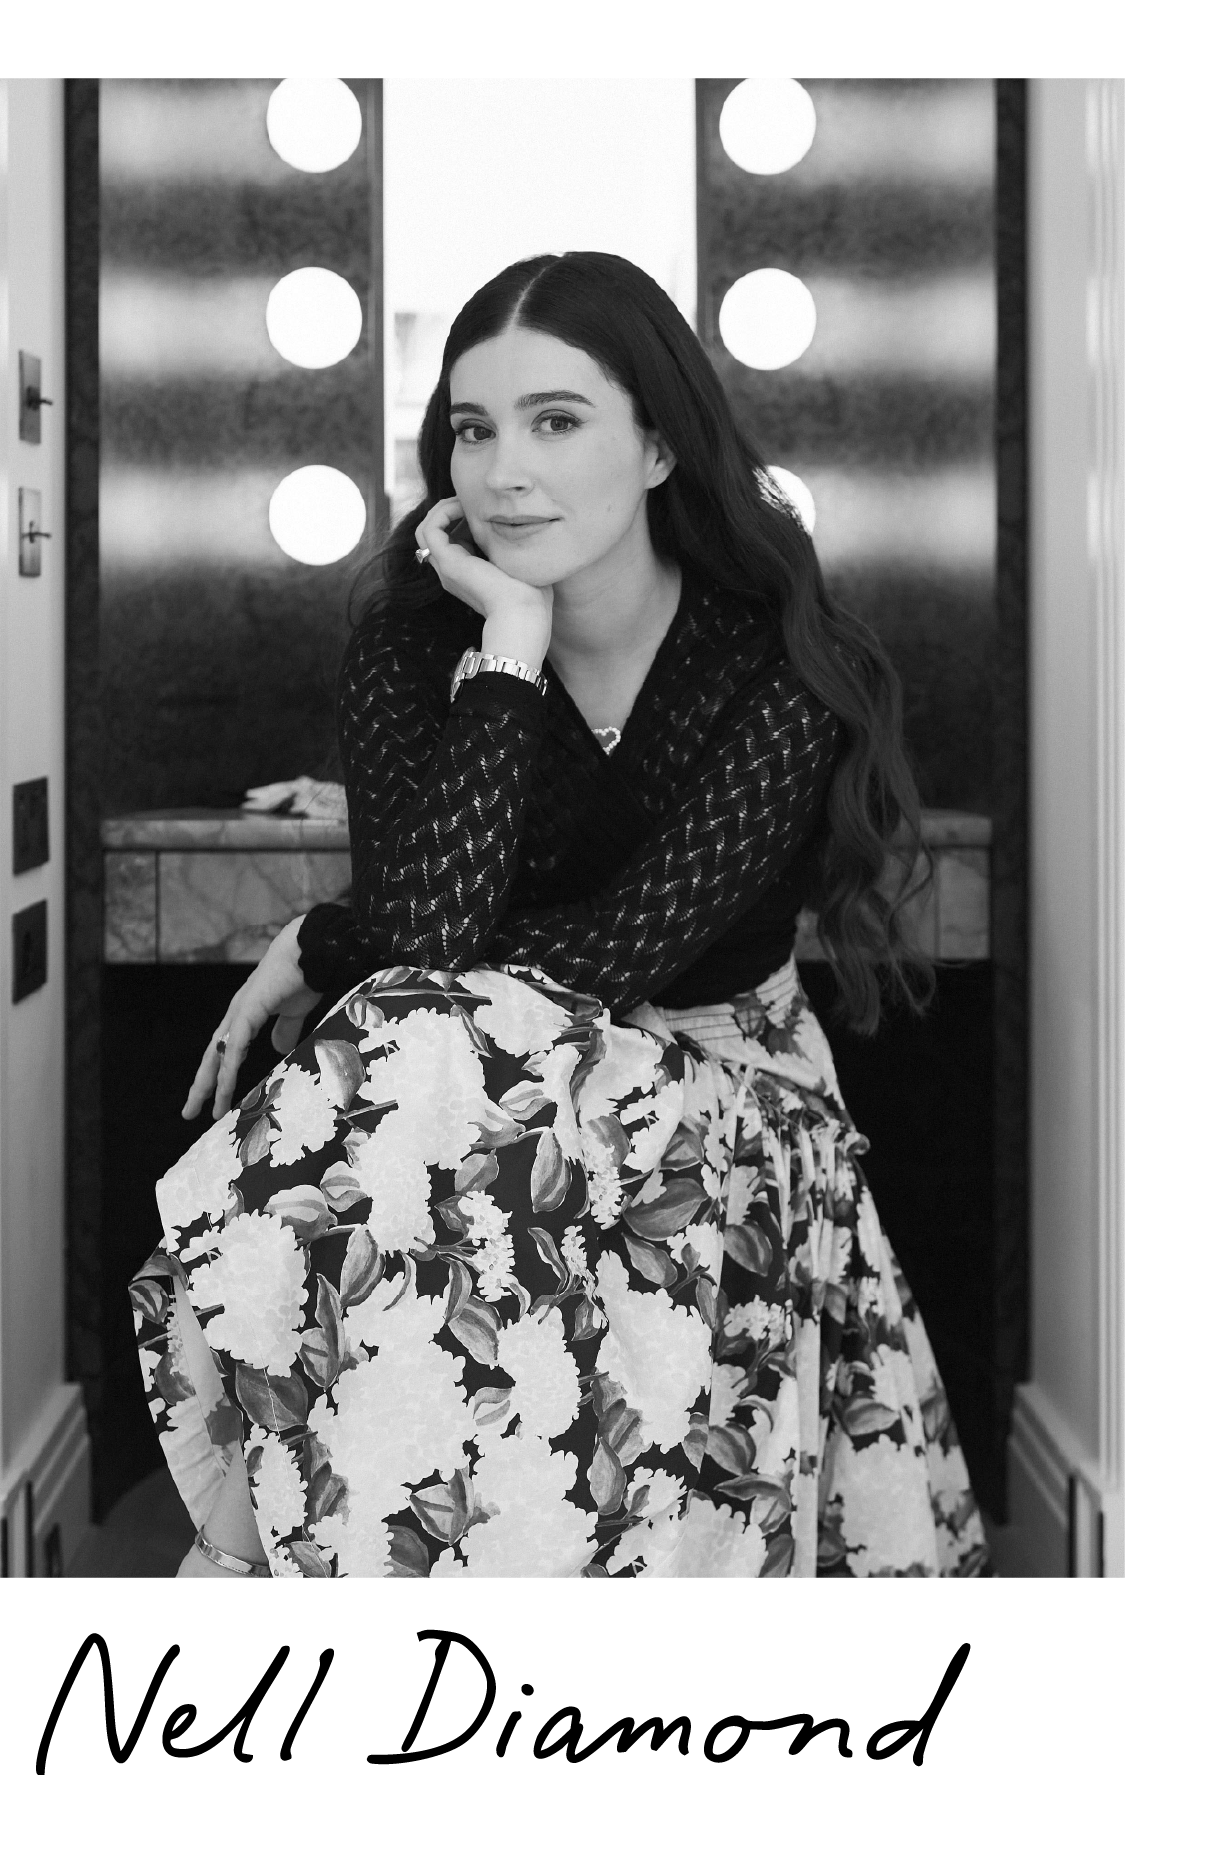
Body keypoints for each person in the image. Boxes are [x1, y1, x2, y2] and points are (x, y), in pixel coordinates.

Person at [130, 251, 989, 1580]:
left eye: (556, 421)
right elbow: (436, 939)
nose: (501, 469)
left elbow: (608, 954)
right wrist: (510, 653)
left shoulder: (781, 664)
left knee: (426, 1034)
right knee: (433, 1042)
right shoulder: (417, 649)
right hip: (478, 1110)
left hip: (720, 1094)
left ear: (655, 447)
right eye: (473, 430)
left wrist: (321, 940)